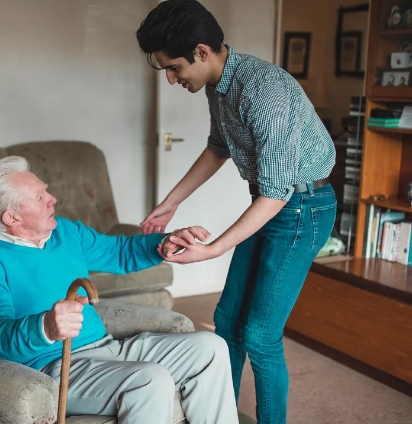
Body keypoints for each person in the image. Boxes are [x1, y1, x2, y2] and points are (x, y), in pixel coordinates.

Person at [136, 1, 337, 423]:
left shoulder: (263, 91)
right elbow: (218, 147)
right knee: (227, 320)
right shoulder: (218, 86)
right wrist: (171, 201)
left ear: (203, 51)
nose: (172, 80)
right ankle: (220, 416)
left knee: (261, 336)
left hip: (302, 208)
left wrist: (212, 251)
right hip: (273, 201)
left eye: (174, 68)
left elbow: (278, 193)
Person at [0, 155, 239, 424]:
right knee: (150, 380)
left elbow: (119, 252)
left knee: (210, 347)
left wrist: (164, 243)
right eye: (39, 197)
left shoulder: (64, 232)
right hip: (56, 368)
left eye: (45, 191)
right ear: (12, 218)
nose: (52, 199)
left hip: (108, 347)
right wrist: (46, 326)